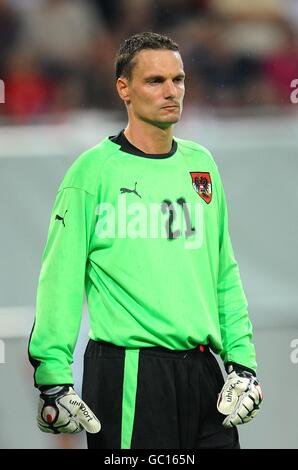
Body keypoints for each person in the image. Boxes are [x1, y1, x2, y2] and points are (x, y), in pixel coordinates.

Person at [28, 32, 263, 449]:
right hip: (129, 372)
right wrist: (53, 377)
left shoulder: (201, 166)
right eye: (155, 81)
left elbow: (223, 271)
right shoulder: (91, 172)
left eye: (179, 79)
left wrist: (242, 363)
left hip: (205, 374)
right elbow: (59, 278)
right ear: (124, 89)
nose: (172, 91)